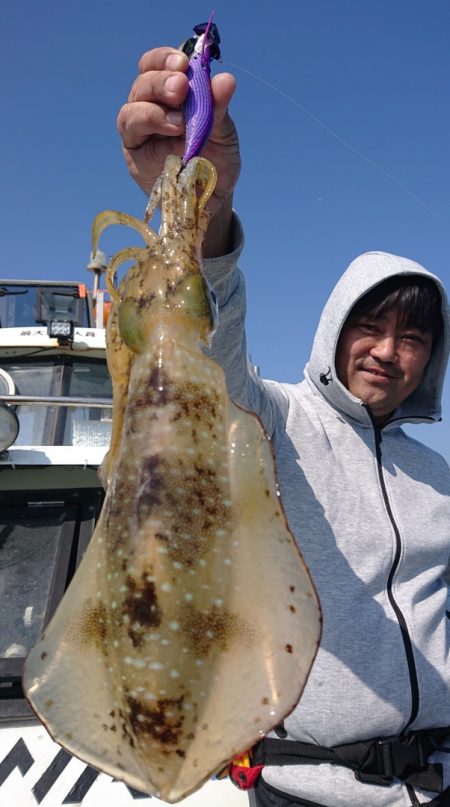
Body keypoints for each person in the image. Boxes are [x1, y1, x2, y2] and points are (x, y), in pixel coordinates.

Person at [117, 47, 450, 807]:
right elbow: (211, 343)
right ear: (335, 330)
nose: (388, 352)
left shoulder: (437, 476)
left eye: (413, 338)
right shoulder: (272, 420)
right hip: (306, 787)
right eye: (370, 326)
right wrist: (207, 204)